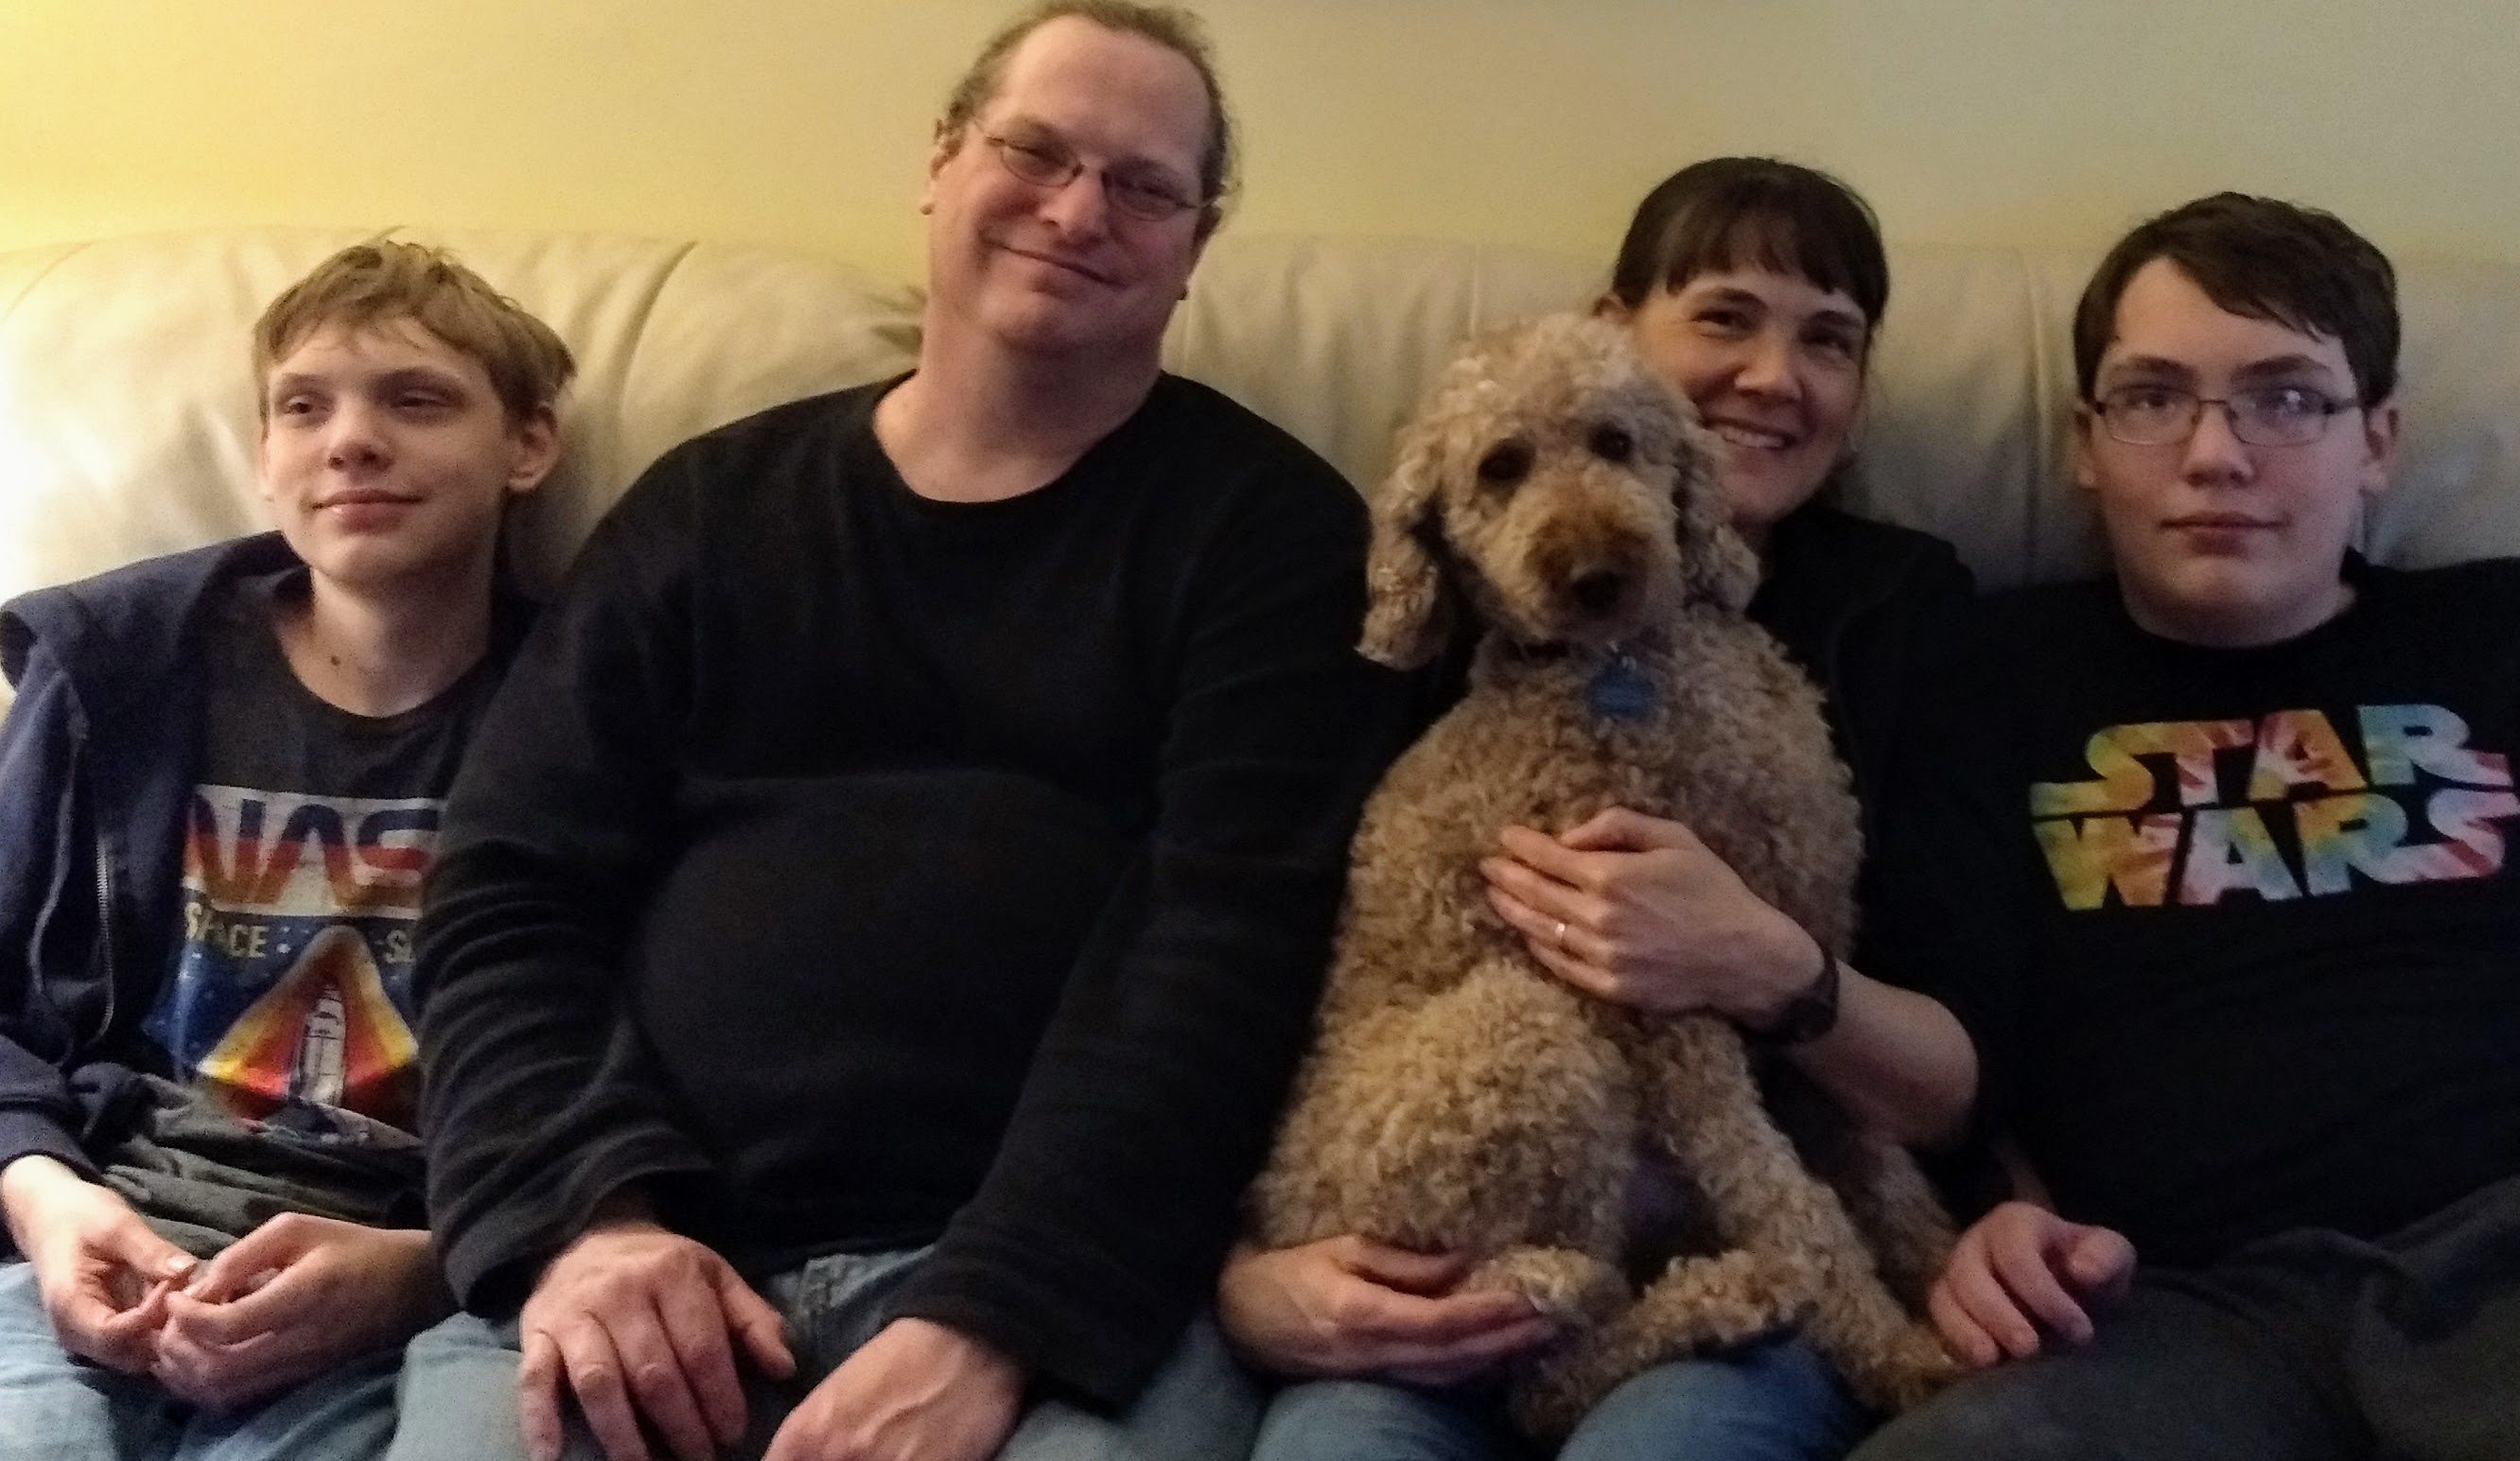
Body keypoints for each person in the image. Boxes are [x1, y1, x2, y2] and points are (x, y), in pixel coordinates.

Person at [381, 6, 1399, 1461]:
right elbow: (503, 891)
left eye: (1143, 185)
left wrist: (995, 1315)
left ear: (1194, 245)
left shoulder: (1274, 538)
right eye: (1033, 151)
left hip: (1052, 1293)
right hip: (649, 1254)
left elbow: (1227, 954)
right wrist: (589, 1224)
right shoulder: (704, 508)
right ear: (940, 163)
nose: (1075, 209)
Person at [1849, 192, 2520, 1460]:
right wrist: (1984, 1223)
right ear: (2083, 442)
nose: (2215, 454)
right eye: (2152, 397)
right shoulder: (1984, 678)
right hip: (2169, 1310)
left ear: (2375, 438)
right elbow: (1951, 1052)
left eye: (2284, 397)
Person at [1220, 157, 1978, 1461]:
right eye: (1724, 316)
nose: (1773, 375)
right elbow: (1237, 957)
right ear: (1613, 329)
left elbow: (1960, 1069)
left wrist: (1766, 969)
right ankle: (1588, 1353)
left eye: (1827, 339)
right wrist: (1241, 1276)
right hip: (1444, 1224)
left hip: (1739, 1227)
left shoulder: (1896, 614)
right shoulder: (1437, 666)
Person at [0, 241, 569, 1461]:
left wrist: (429, 1273)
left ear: (529, 445)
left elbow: (661, 1076)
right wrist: (46, 1197)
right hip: (95, 1244)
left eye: (416, 400)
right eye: (303, 406)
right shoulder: (118, 675)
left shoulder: (591, 718)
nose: (350, 440)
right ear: (264, 457)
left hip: (414, 1291)